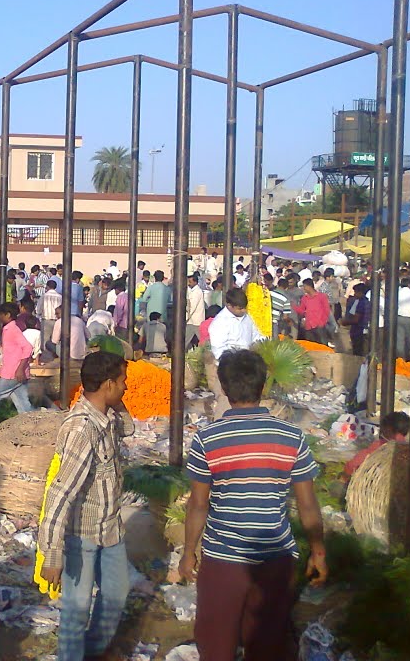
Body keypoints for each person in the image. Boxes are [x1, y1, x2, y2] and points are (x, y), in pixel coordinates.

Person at [181, 349, 326, 661]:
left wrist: (188, 552)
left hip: (222, 560)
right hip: (275, 560)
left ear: (223, 387)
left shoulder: (207, 439)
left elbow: (198, 505)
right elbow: (308, 504)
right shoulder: (292, 437)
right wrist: (318, 551)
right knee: (268, 646)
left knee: (216, 648)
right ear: (263, 385)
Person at [37, 351, 133, 661]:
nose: (126, 387)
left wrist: (114, 402)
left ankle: (91, 651)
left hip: (110, 528)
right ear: (107, 384)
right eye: (122, 382)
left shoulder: (106, 417)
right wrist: (51, 555)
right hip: (82, 536)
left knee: (117, 594)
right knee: (75, 614)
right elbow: (59, 493)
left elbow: (129, 429)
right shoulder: (82, 429)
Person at [206, 288, 266, 419]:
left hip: (247, 365)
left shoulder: (247, 318)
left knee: (249, 400)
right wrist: (232, 364)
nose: (243, 311)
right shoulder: (220, 322)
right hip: (229, 367)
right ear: (229, 306)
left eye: (244, 308)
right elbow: (218, 349)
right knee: (227, 400)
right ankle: (222, 427)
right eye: (239, 308)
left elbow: (256, 336)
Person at [0, 303, 34, 435]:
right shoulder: (9, 328)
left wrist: (20, 369)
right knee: (23, 403)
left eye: (0, 314)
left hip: (13, 373)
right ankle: (32, 428)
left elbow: (28, 347)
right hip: (13, 372)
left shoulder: (13, 329)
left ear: (8, 315)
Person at [343, 411, 409, 481]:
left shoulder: (380, 446)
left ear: (388, 429)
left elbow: (357, 462)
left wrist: (347, 470)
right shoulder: (406, 448)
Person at [292, 278, 331, 346]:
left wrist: (322, 322)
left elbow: (326, 310)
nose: (303, 288)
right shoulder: (305, 298)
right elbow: (301, 310)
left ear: (309, 286)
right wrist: (293, 306)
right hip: (309, 326)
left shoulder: (321, 296)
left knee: (323, 346)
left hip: (319, 325)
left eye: (304, 286)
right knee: (310, 346)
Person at [341, 282, 372, 357]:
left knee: (358, 353)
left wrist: (344, 322)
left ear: (360, 293)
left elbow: (356, 319)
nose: (354, 294)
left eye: (356, 292)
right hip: (359, 330)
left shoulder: (361, 303)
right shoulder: (362, 302)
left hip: (359, 331)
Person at [395, 277, 410, 362]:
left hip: (399, 317)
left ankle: (401, 359)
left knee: (400, 339)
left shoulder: (398, 292)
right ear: (409, 284)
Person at [186, 273, 206, 349]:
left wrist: (186, 317)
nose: (188, 283)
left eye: (190, 282)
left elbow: (192, 307)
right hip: (192, 320)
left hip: (195, 321)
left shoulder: (197, 292)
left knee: (202, 341)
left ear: (195, 282)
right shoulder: (191, 291)